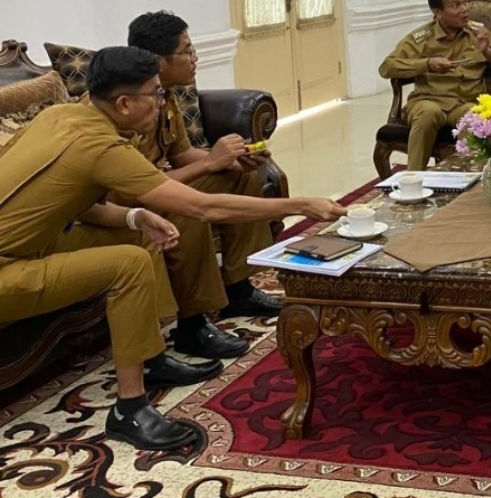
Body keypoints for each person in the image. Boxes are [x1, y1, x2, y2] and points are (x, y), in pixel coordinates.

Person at [0, 46, 344, 450]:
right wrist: (300, 204)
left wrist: (134, 217)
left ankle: (151, 358)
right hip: (9, 267)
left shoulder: (58, 117)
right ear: (124, 103)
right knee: (127, 264)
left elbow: (74, 202)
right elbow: (203, 207)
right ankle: (130, 409)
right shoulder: (101, 147)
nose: (162, 102)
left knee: (140, 234)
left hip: (32, 243)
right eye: (155, 93)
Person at [111, 11, 279, 360]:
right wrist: (209, 162)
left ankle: (238, 288)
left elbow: (181, 153)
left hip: (154, 186)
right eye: (187, 51)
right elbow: (137, 188)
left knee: (242, 175)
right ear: (158, 60)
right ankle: (192, 325)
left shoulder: (165, 94)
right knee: (185, 210)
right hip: (122, 203)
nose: (195, 58)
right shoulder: (126, 103)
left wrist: (230, 160)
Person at [378, 0, 491, 170]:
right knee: (428, 114)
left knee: (474, 117)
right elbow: (387, 67)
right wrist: (427, 64)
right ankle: (413, 177)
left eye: (465, 3)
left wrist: (487, 52)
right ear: (437, 12)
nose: (464, 9)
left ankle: (470, 178)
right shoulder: (422, 38)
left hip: (465, 102)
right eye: (455, 5)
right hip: (428, 100)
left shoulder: (477, 33)